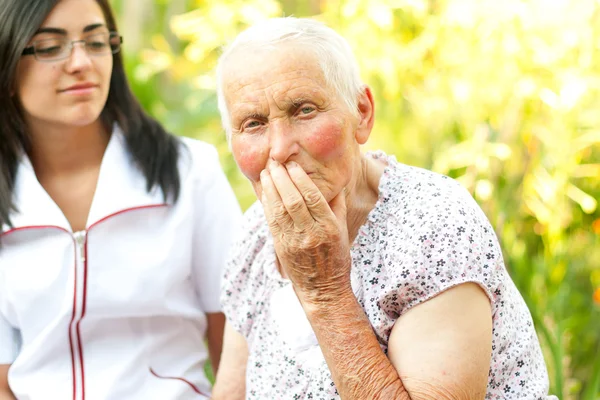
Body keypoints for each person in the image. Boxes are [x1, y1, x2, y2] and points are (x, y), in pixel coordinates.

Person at [211, 17, 557, 400]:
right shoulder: (256, 234)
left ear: (362, 112)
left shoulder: (432, 224)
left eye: (304, 110)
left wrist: (323, 292)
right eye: (254, 123)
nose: (279, 149)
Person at [0, 0, 241, 399]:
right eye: (49, 46)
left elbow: (236, 336)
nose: (81, 62)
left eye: (95, 42)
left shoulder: (188, 171)